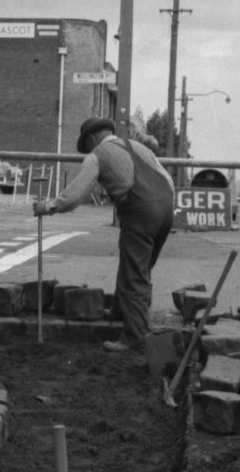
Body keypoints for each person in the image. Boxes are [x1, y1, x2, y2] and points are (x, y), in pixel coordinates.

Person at [34, 118, 175, 353]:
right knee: (139, 266)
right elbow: (168, 180)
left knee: (134, 275)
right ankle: (121, 312)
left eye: (87, 145)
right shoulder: (138, 146)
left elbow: (74, 196)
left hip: (140, 210)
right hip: (166, 208)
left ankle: (135, 336)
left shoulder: (97, 154)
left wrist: (48, 207)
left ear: (91, 139)